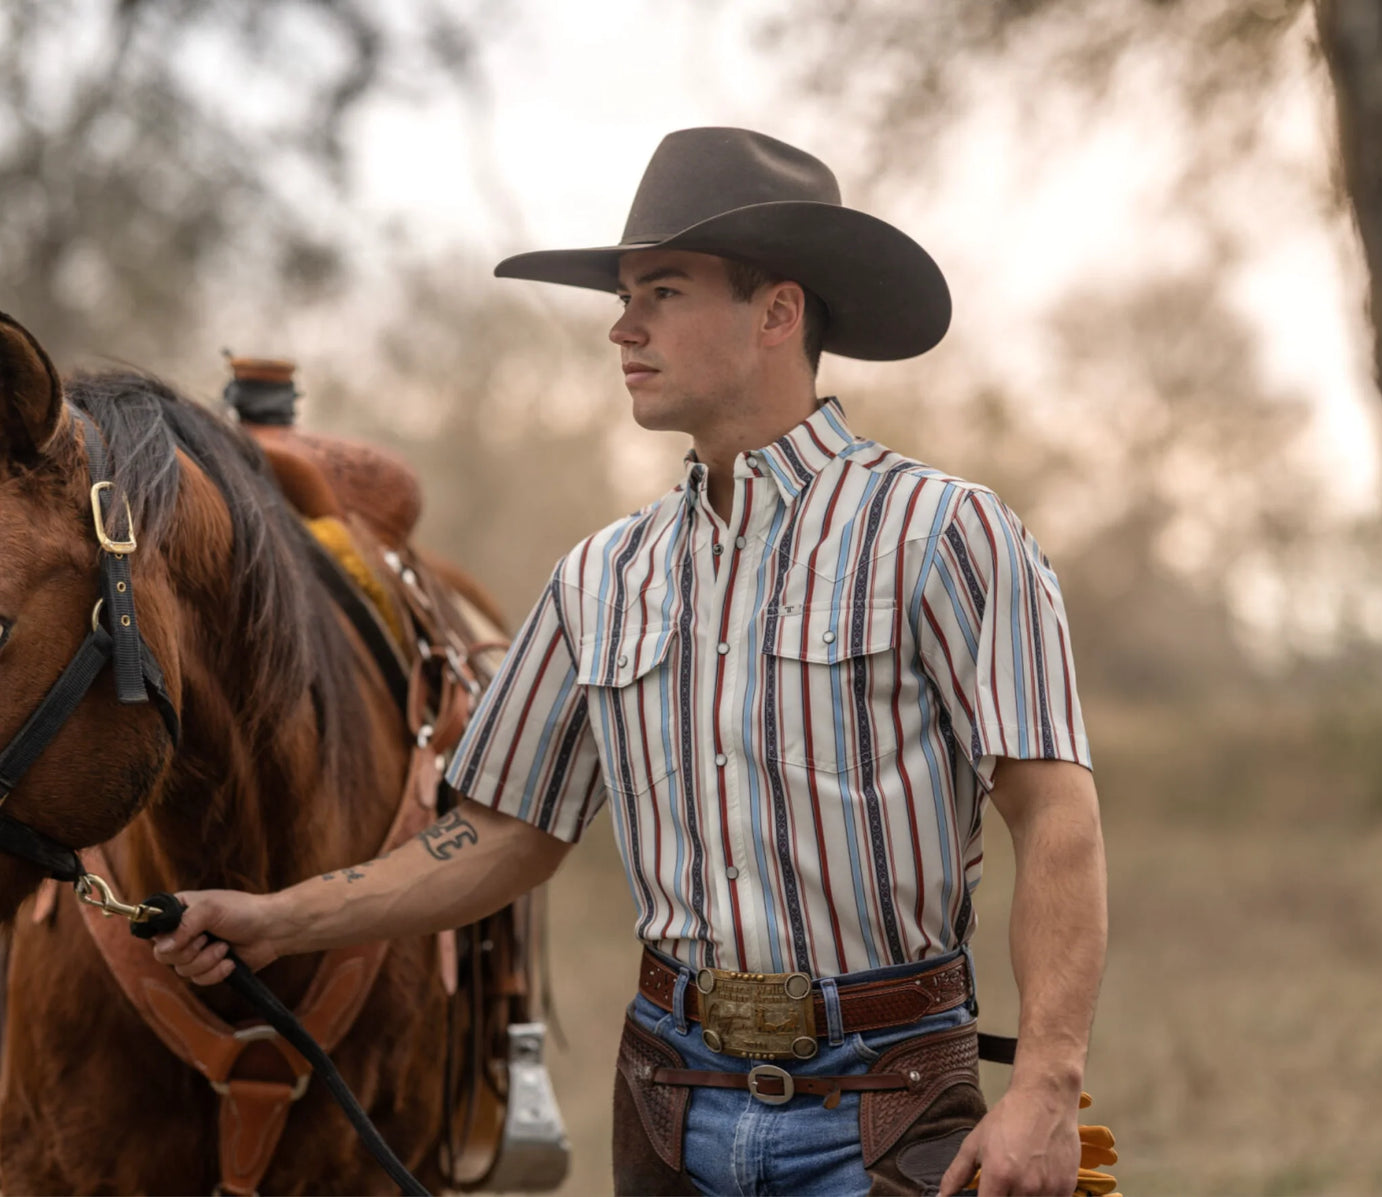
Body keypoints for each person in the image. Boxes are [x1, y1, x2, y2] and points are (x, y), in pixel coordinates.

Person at [154, 127, 1107, 1197]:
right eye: (621, 296)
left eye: (659, 292)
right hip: (667, 1101)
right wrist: (277, 919)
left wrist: (1046, 1085)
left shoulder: (944, 534)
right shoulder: (601, 578)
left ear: (776, 313)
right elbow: (503, 833)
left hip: (888, 1101)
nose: (620, 327)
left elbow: (1051, 812)